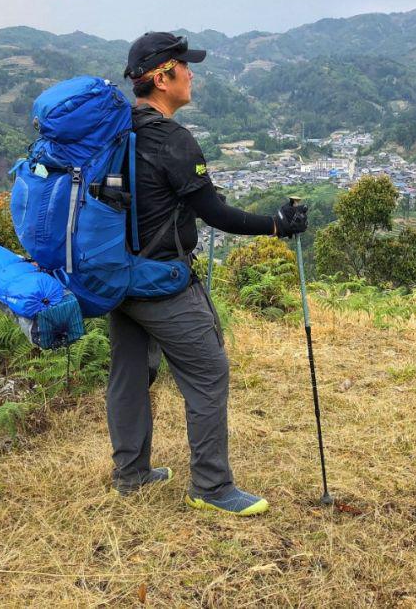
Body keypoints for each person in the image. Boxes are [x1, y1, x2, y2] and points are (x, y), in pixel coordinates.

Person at [107, 31, 308, 516]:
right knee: (208, 371)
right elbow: (214, 212)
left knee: (130, 373)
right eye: (184, 65)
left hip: (116, 276)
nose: (191, 72)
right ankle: (212, 487)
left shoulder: (116, 128)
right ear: (161, 77)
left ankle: (131, 473)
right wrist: (276, 226)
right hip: (161, 281)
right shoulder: (172, 138)